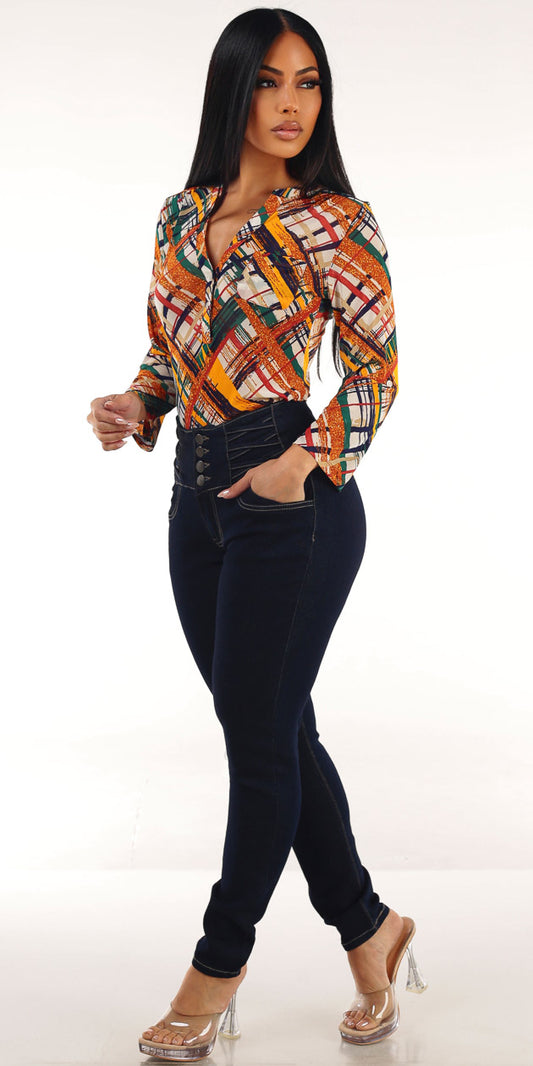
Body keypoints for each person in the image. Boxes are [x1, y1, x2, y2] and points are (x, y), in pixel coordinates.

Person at [87, 8, 427, 1060]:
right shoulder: (179, 215)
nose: (290, 104)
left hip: (293, 501)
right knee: (273, 729)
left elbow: (375, 371)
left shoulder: (334, 220)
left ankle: (216, 964)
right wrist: (138, 404)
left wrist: (299, 462)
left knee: (256, 739)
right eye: (270, 82)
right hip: (194, 498)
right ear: (230, 91)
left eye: (308, 82)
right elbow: (169, 351)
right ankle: (370, 929)